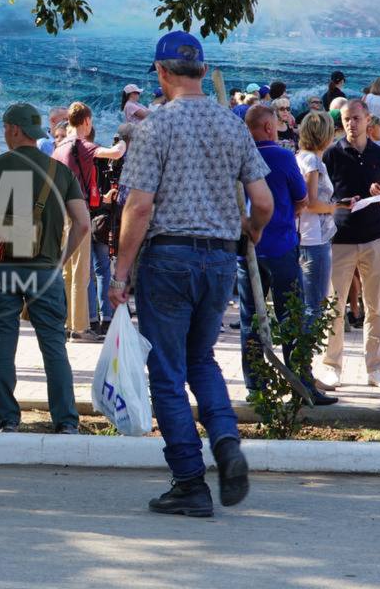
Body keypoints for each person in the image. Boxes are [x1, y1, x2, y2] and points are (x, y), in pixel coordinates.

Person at [109, 30, 262, 517]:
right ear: (200, 70)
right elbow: (264, 201)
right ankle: (225, 440)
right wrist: (249, 233)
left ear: (161, 72)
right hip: (219, 258)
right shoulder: (232, 124)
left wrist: (119, 275)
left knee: (168, 374)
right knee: (203, 361)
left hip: (168, 259)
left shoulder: (155, 126)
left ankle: (189, 482)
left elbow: (138, 207)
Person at [0, 102, 87, 436]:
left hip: (2, 268)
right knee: (53, 345)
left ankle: (8, 419)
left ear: (15, 130)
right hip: (46, 270)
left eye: (6, 129)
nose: (4, 134)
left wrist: (7, 222)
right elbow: (83, 223)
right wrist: (61, 259)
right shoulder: (60, 172)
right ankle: (66, 421)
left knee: (4, 341)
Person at [237, 105, 337, 405]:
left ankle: (255, 386)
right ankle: (301, 383)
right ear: (269, 127)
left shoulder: (239, 157)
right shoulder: (281, 156)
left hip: (247, 250)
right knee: (290, 315)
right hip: (280, 245)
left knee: (251, 318)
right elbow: (302, 198)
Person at [316, 99, 380, 391]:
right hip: (340, 237)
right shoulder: (331, 154)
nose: (351, 124)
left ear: (368, 120)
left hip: (374, 235)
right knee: (333, 306)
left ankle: (375, 368)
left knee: (375, 307)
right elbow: (322, 196)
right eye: (347, 119)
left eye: (356, 119)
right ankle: (331, 366)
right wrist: (338, 205)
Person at [53, 102, 126, 342]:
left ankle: (67, 322)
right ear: (86, 121)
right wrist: (125, 138)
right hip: (79, 211)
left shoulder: (59, 147)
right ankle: (81, 328)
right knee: (81, 272)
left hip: (61, 211)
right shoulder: (82, 145)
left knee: (67, 271)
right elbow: (115, 153)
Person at [296, 112, 339, 328]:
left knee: (305, 303)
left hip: (304, 235)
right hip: (315, 238)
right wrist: (333, 207)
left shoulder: (299, 156)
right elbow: (311, 203)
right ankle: (302, 358)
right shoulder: (313, 161)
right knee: (315, 306)